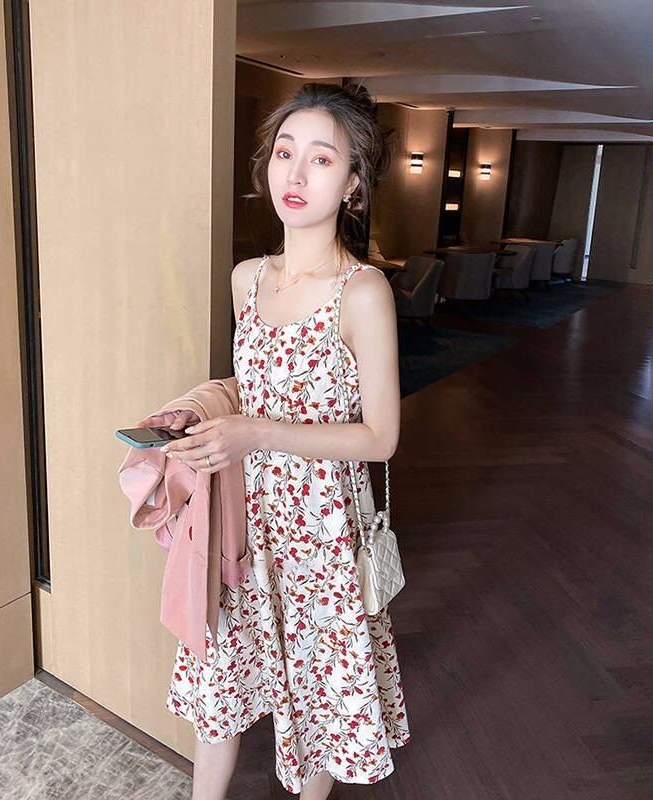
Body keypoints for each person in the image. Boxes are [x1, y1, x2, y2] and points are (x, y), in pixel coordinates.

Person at [159, 82, 410, 800]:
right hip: (244, 514)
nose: (294, 174)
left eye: (321, 159)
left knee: (321, 697)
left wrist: (255, 433)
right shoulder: (246, 280)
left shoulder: (362, 292)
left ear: (353, 182)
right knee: (221, 678)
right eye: (284, 152)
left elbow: (381, 437)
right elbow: (256, 386)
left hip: (321, 528)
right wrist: (203, 410)